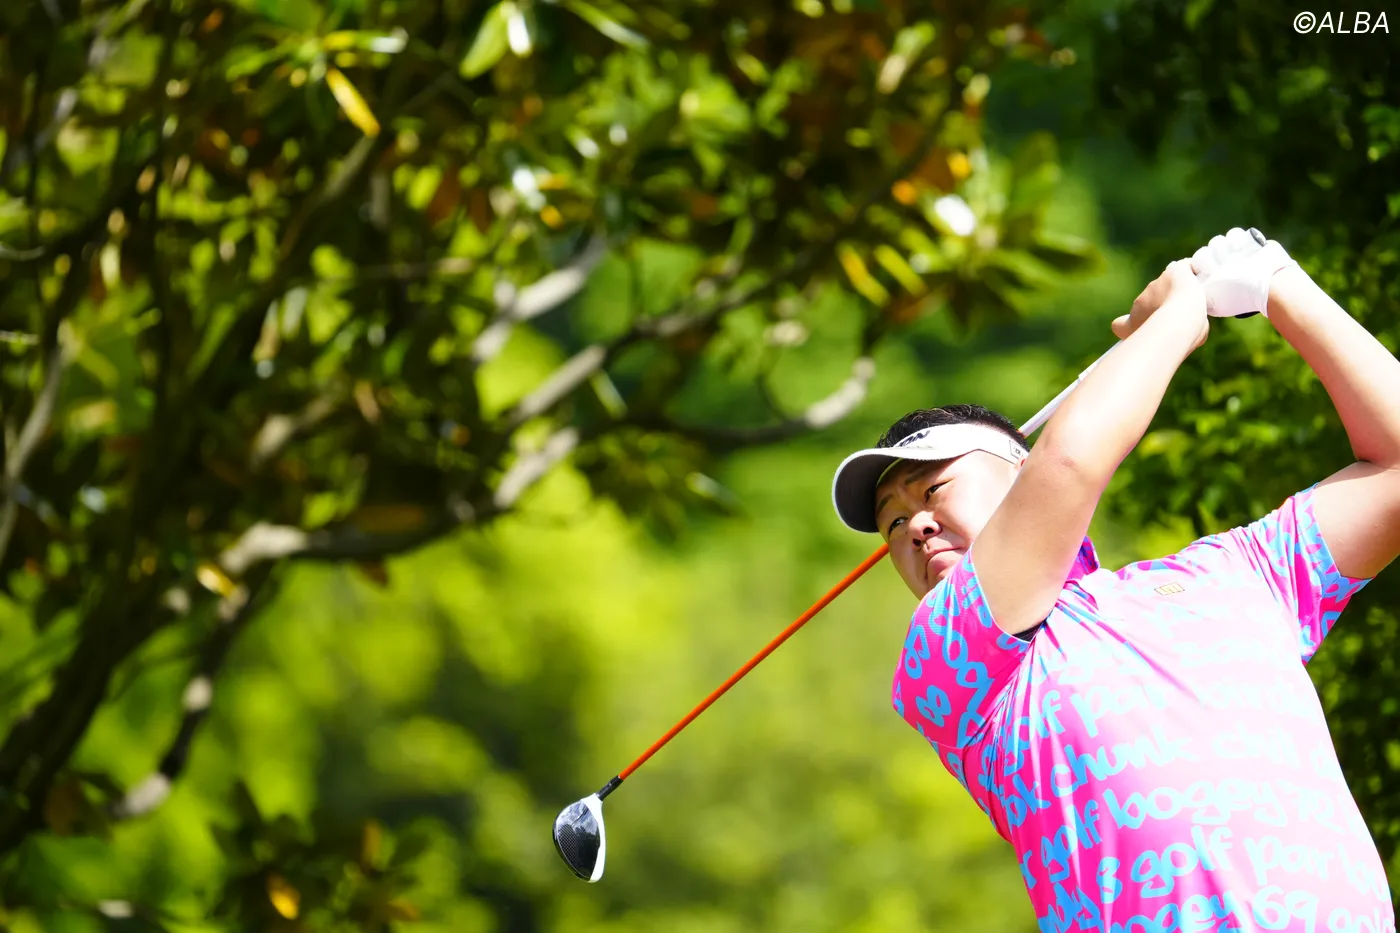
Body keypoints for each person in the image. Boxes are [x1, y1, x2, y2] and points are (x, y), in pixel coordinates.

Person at [830, 229, 1400, 932]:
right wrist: (1178, 317)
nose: (914, 526)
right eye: (891, 522)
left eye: (933, 489)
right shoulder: (947, 660)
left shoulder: (1232, 574)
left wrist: (1277, 284)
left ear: (1018, 471)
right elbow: (1069, 465)